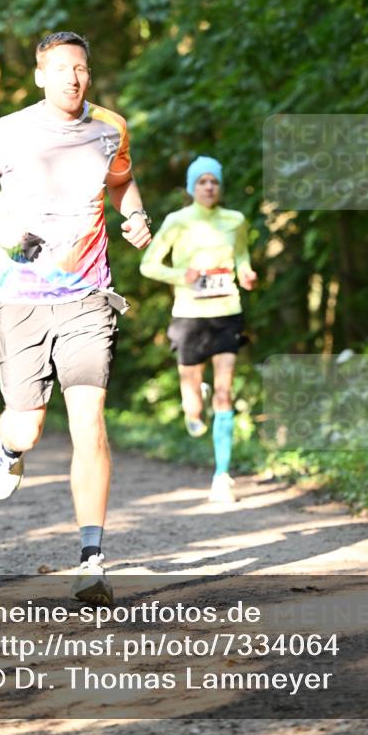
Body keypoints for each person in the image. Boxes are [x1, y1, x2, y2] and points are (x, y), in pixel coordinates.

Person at [0, 31, 151, 605]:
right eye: (62, 68)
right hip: (20, 296)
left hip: (89, 295)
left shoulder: (110, 127)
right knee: (28, 425)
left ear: (90, 74)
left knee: (89, 419)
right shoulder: (10, 131)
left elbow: (121, 184)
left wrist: (135, 215)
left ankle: (92, 559)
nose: (73, 77)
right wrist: (1, 229)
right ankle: (11, 449)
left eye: (82, 68)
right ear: (40, 75)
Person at [140, 156, 257, 503]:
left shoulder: (235, 220)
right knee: (194, 409)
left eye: (214, 182)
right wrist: (182, 276)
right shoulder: (177, 221)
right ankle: (193, 405)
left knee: (225, 393)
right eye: (202, 182)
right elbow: (149, 265)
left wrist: (246, 272)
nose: (209, 187)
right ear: (192, 188)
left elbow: (242, 256)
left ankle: (222, 475)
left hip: (226, 311)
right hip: (189, 315)